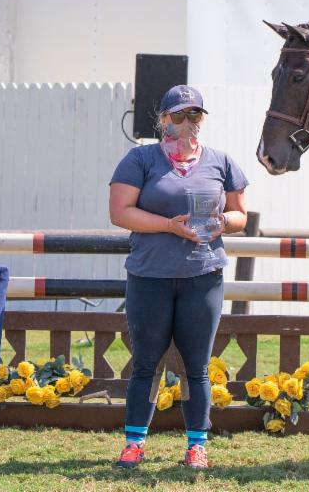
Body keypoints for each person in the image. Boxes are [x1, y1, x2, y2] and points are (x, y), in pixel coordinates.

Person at [107, 84, 249, 471]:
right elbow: (120, 213)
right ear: (163, 119)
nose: (188, 123)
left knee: (197, 367)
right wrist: (169, 226)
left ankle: (196, 447)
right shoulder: (140, 159)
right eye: (179, 115)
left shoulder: (221, 162)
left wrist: (223, 222)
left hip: (202, 275)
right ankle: (134, 444)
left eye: (195, 115)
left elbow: (241, 215)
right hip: (149, 276)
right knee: (145, 364)